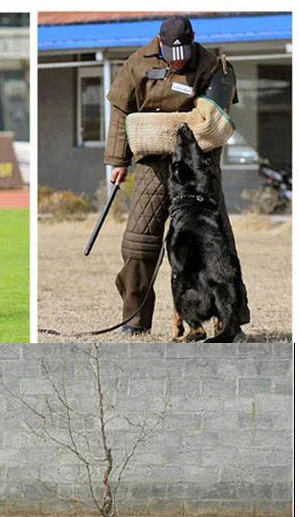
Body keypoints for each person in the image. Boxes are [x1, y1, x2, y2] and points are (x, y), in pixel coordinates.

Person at [105, 15, 250, 335]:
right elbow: (121, 111)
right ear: (160, 43)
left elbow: (212, 122)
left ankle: (230, 321)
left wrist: (153, 127)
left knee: (217, 244)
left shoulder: (214, 65)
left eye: (185, 51)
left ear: (193, 40)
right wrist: (118, 160)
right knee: (139, 245)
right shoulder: (137, 63)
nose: (180, 58)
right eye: (173, 52)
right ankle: (134, 321)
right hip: (152, 165)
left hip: (198, 166)